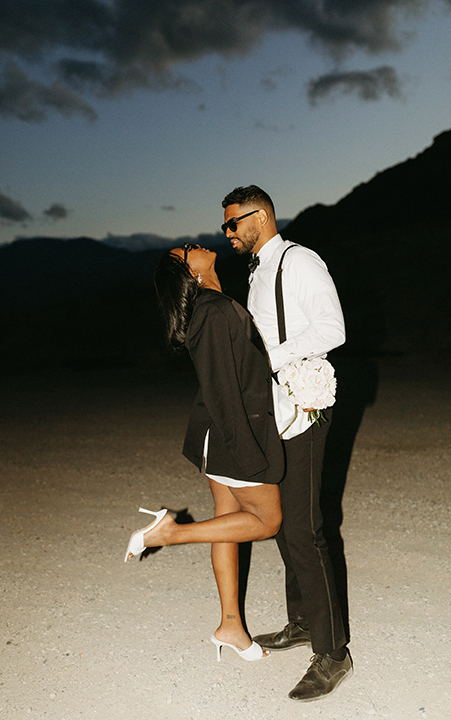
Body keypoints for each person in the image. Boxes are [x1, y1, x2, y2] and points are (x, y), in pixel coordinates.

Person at [221, 185, 352, 700]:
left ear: (262, 216)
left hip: (307, 403)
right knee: (278, 521)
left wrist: (270, 357)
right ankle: (301, 622)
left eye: (234, 223)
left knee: (303, 526)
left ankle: (333, 652)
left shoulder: (299, 262)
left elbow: (333, 328)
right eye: (226, 225)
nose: (228, 233)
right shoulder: (257, 272)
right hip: (277, 408)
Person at [124, 242, 284, 663]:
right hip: (235, 434)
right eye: (186, 252)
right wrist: (251, 453)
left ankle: (231, 625)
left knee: (226, 525)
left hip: (222, 435)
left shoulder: (213, 304)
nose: (195, 245)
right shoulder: (212, 310)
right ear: (189, 274)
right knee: (268, 521)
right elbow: (223, 392)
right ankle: (169, 532)